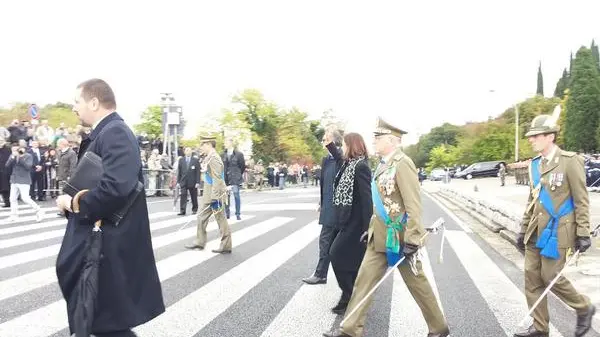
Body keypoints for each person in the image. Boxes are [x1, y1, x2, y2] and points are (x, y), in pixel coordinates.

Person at [55, 79, 165, 337]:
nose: (73, 108)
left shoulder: (115, 132)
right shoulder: (107, 132)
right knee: (103, 322)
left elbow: (116, 187)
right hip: (104, 242)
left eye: (77, 101)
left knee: (106, 323)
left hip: (109, 245)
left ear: (94, 102)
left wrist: (74, 202)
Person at [325, 117, 449, 337]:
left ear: (392, 141)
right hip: (379, 235)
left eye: (378, 138)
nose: (374, 141)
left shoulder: (403, 163)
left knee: (417, 282)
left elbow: (413, 204)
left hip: (400, 238)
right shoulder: (383, 165)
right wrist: (370, 229)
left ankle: (439, 328)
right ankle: (350, 328)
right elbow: (380, 203)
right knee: (364, 281)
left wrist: (412, 238)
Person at [513, 111, 595, 337]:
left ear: (550, 136)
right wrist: (522, 229)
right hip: (535, 231)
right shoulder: (534, 165)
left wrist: (583, 231)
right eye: (531, 136)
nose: (531, 139)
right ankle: (540, 327)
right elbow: (533, 200)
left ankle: (584, 307)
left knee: (551, 277)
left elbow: (581, 199)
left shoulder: (570, 161)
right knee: (532, 278)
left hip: (559, 231)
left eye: (536, 136)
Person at [327, 132, 372, 315]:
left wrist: (367, 229)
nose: (343, 148)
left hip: (355, 223)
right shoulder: (348, 164)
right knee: (347, 260)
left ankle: (350, 294)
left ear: (352, 146)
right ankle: (350, 297)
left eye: (345, 145)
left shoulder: (361, 167)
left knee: (336, 255)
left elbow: (367, 199)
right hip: (343, 220)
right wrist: (330, 144)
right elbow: (338, 157)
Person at [302, 128, 343, 285]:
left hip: (339, 208)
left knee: (334, 242)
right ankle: (321, 274)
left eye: (326, 139)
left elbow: (339, 158)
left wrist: (331, 145)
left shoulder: (342, 156)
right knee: (326, 240)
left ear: (333, 141)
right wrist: (321, 202)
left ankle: (326, 274)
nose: (323, 142)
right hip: (328, 206)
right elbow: (325, 183)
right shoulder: (326, 159)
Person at [185, 134, 232, 253]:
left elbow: (217, 179)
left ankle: (226, 245)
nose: (201, 147)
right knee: (201, 216)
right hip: (208, 193)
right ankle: (200, 241)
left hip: (216, 194)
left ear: (209, 145)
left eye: (203, 145)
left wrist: (215, 197)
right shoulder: (209, 157)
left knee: (220, 218)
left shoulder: (214, 158)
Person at [5, 144, 44, 222]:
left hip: (24, 180)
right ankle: (14, 215)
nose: (14, 151)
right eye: (13, 150)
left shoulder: (28, 156)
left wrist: (20, 158)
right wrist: (12, 157)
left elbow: (28, 166)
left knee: (25, 198)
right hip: (14, 179)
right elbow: (7, 165)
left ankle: (39, 210)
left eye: (16, 150)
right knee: (12, 198)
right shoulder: (12, 156)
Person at [223, 138, 245, 220]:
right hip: (226, 178)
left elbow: (242, 166)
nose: (225, 144)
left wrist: (238, 174)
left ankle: (238, 213)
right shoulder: (223, 154)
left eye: (227, 142)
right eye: (225, 142)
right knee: (226, 196)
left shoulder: (239, 154)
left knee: (236, 195)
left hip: (235, 178)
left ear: (231, 143)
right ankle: (227, 213)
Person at [177, 147, 200, 215]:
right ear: (184, 152)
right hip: (183, 181)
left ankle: (195, 209)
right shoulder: (181, 160)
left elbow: (198, 172)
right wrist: (178, 182)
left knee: (193, 196)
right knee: (183, 195)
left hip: (192, 181)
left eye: (189, 150)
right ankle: (182, 210)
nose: (188, 152)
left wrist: (197, 182)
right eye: (187, 150)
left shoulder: (195, 160)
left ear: (191, 152)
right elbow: (179, 172)